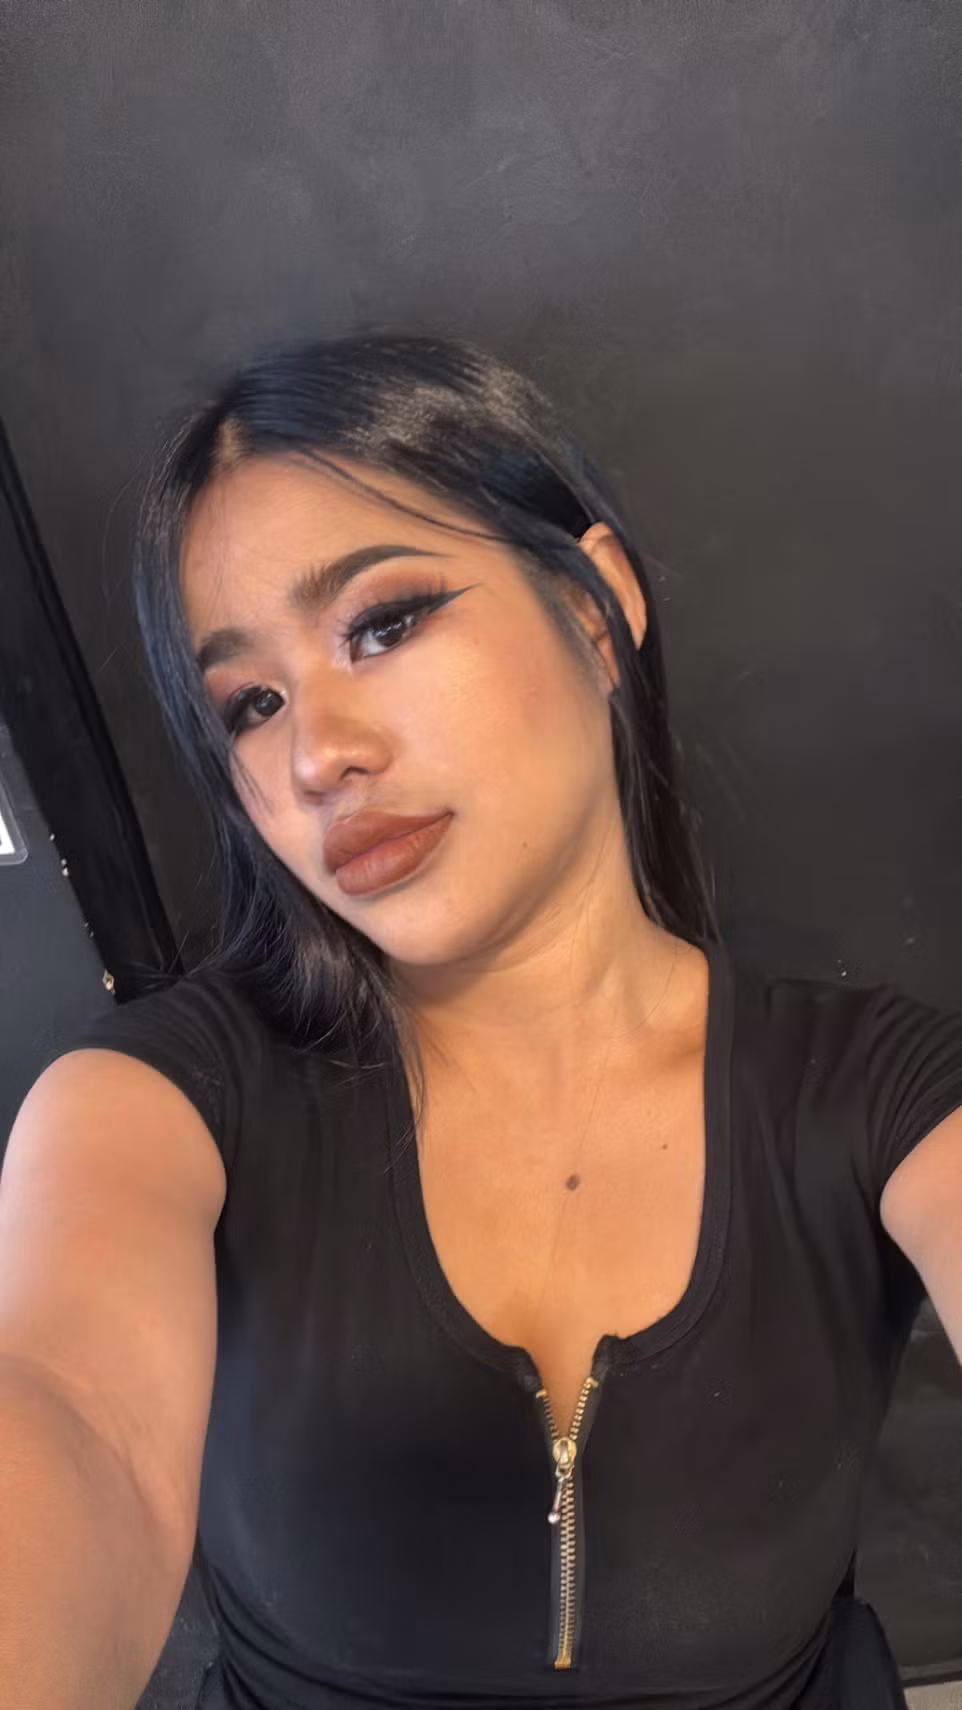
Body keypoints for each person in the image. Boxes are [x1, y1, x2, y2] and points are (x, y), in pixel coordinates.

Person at [5, 331, 962, 1710]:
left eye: (382, 624)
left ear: (594, 608)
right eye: (250, 704)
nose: (315, 753)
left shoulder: (880, 1095)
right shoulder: (157, 1105)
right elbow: (71, 1417)